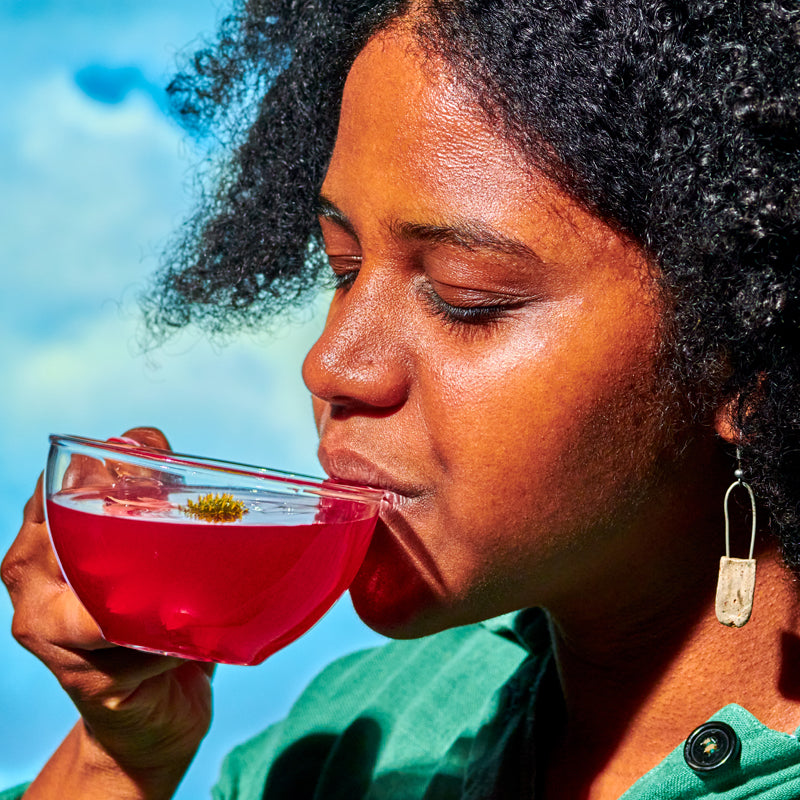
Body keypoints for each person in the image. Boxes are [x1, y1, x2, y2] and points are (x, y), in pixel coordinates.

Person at [3, 0, 800, 797]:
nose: (329, 365)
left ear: (746, 363)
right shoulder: (349, 740)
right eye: (343, 269)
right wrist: (121, 753)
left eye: (465, 296)